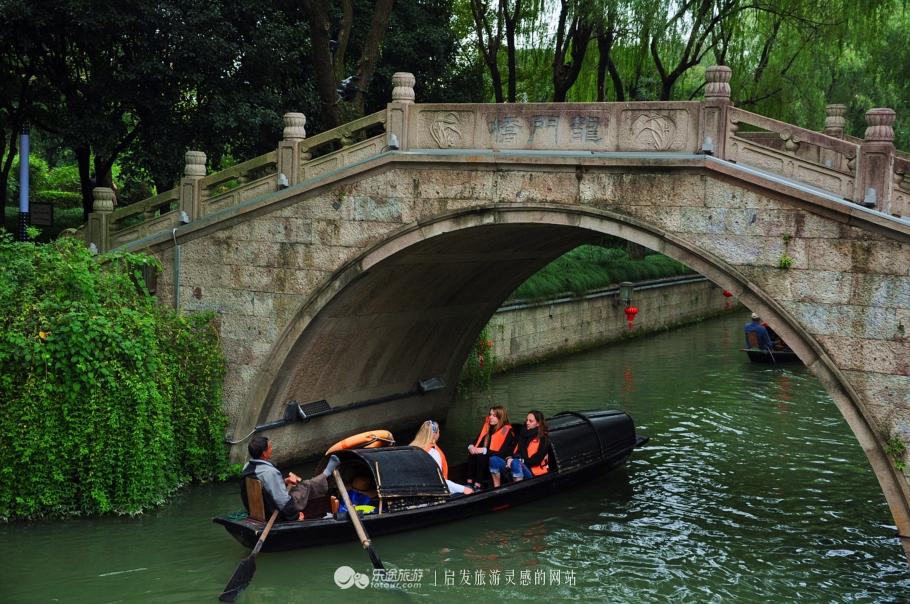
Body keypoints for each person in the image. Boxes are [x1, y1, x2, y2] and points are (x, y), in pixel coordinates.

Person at [240, 435, 340, 521]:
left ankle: (324, 477)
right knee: (306, 486)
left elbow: (265, 486)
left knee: (297, 486)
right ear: (264, 453)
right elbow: (283, 502)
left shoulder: (247, 466)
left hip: (261, 510)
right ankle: (326, 474)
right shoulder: (270, 472)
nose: (272, 449)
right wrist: (295, 516)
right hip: (274, 513)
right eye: (270, 447)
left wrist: (284, 481)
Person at [410, 420, 474, 495]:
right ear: (435, 434)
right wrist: (463, 489)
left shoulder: (412, 448)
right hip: (432, 492)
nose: (439, 433)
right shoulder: (433, 453)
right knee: (469, 490)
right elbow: (439, 481)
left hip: (414, 489)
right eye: (438, 431)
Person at [468, 406, 516, 489]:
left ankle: (478, 484)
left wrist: (483, 450)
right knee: (473, 452)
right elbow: (477, 440)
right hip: (489, 455)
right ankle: (469, 481)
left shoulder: (506, 430)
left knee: (481, 454)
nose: (490, 417)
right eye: (490, 415)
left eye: (494, 416)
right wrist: (471, 446)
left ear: (500, 417)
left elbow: (502, 452)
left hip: (500, 459)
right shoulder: (489, 426)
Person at [505, 410, 550, 481]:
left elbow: (536, 461)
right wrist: (508, 459)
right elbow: (510, 449)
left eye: (530, 421)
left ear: (538, 424)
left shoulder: (543, 439)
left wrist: (518, 461)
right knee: (494, 460)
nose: (527, 423)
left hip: (533, 472)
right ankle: (497, 486)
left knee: (516, 462)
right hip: (515, 464)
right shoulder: (522, 433)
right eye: (527, 420)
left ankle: (517, 487)